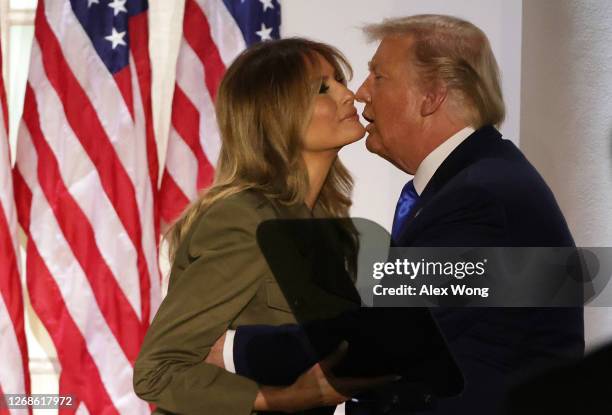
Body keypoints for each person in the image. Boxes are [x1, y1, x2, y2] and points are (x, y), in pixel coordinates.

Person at [210, 14, 585, 414]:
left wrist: (230, 348)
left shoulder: (478, 199)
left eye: (378, 77)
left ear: (431, 95)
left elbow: (381, 342)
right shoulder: (468, 185)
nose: (359, 93)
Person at [133, 38, 393, 414]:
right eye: (322, 88)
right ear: (275, 116)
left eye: (339, 81)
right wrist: (283, 399)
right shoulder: (244, 218)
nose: (347, 94)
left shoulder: (328, 228)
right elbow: (156, 371)